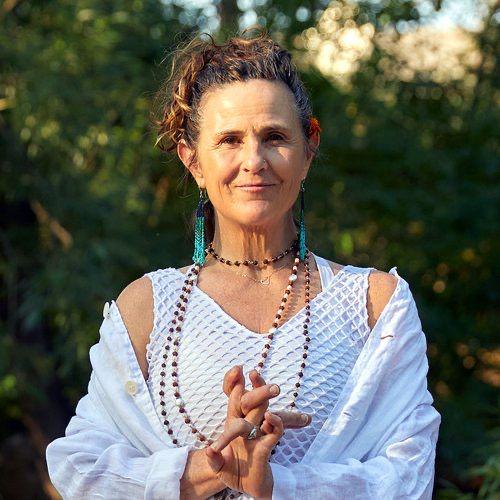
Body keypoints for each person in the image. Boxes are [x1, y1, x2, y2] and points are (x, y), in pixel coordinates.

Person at [46, 28, 441, 499]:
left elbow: (408, 477)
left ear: (309, 149)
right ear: (193, 160)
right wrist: (213, 467)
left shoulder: (375, 305)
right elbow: (80, 468)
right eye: (229, 140)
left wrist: (277, 485)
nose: (254, 160)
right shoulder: (148, 308)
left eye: (274, 137)